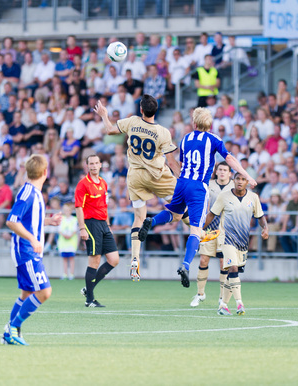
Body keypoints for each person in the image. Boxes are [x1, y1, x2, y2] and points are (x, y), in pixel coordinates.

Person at [138, 108, 256, 288]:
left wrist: (182, 180)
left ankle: (151, 221)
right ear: (210, 125)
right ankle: (185, 266)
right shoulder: (213, 139)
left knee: (175, 214)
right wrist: (246, 175)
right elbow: (229, 158)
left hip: (182, 182)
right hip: (199, 187)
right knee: (195, 230)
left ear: (194, 123)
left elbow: (177, 163)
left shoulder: (185, 139)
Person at [94, 94, 179, 281]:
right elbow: (172, 162)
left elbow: (109, 130)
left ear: (141, 110)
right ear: (155, 111)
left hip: (135, 176)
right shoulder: (163, 132)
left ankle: (134, 260)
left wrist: (104, 114)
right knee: (182, 207)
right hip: (157, 175)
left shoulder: (132, 122)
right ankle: (201, 232)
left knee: (138, 218)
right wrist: (183, 177)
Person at [2, 154, 62, 346]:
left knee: (27, 294)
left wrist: (49, 221)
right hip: (26, 250)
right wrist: (32, 239)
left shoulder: (34, 193)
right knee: (45, 292)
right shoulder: (28, 193)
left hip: (29, 249)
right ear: (45, 172)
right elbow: (12, 220)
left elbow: (31, 220)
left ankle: (8, 334)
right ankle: (13, 328)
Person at [203, 172, 268, 315]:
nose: (240, 181)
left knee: (233, 274)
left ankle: (223, 305)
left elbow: (260, 216)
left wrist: (265, 228)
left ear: (247, 182)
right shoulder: (224, 196)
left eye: (243, 179)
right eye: (237, 178)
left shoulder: (253, 198)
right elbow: (212, 214)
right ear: (233, 180)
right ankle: (240, 304)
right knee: (232, 268)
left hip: (243, 241)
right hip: (226, 239)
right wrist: (200, 230)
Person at [75, 154, 120, 307]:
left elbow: (104, 206)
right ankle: (90, 300)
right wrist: (82, 228)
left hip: (103, 224)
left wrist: (108, 226)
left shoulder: (103, 183)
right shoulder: (83, 184)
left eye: (96, 163)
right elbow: (79, 207)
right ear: (87, 166)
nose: (94, 166)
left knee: (114, 260)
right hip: (90, 223)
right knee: (94, 261)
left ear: (101, 165)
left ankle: (89, 289)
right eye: (91, 164)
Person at [191, 161, 233, 308]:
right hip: (208, 229)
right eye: (219, 169)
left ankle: (222, 297)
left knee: (223, 263)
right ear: (216, 171)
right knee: (203, 260)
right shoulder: (208, 185)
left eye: (225, 170)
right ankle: (200, 294)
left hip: (226, 231)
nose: (222, 172)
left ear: (229, 173)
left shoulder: (234, 187)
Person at [57, 202, 78, 280]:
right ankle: (65, 273)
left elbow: (75, 230)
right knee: (64, 259)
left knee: (71, 258)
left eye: (68, 210)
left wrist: (70, 235)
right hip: (63, 242)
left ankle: (71, 274)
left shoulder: (74, 219)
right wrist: (64, 235)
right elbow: (59, 230)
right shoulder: (61, 219)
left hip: (71, 242)